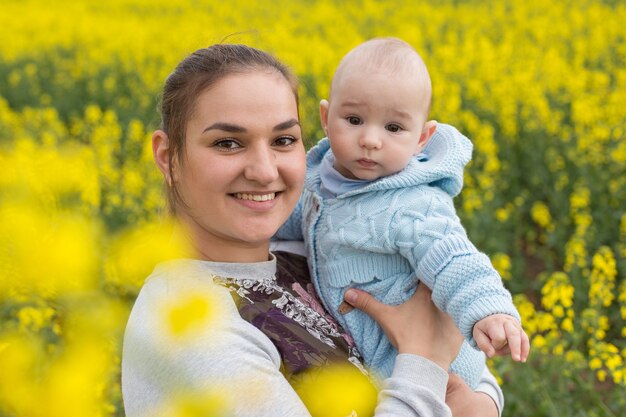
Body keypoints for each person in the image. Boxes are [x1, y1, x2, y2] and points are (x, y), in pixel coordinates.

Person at [122, 43, 503, 417]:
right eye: (228, 143)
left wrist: (482, 400)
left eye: (283, 140)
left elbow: (458, 361)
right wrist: (425, 360)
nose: (265, 170)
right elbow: (430, 349)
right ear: (168, 158)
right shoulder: (193, 328)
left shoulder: (303, 248)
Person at [275, 37, 530, 389]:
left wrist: (489, 310)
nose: (370, 139)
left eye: (393, 128)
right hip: (380, 360)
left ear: (422, 138)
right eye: (353, 119)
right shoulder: (317, 179)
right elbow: (289, 217)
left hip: (439, 370)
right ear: (325, 117)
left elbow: (452, 258)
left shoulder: (411, 204)